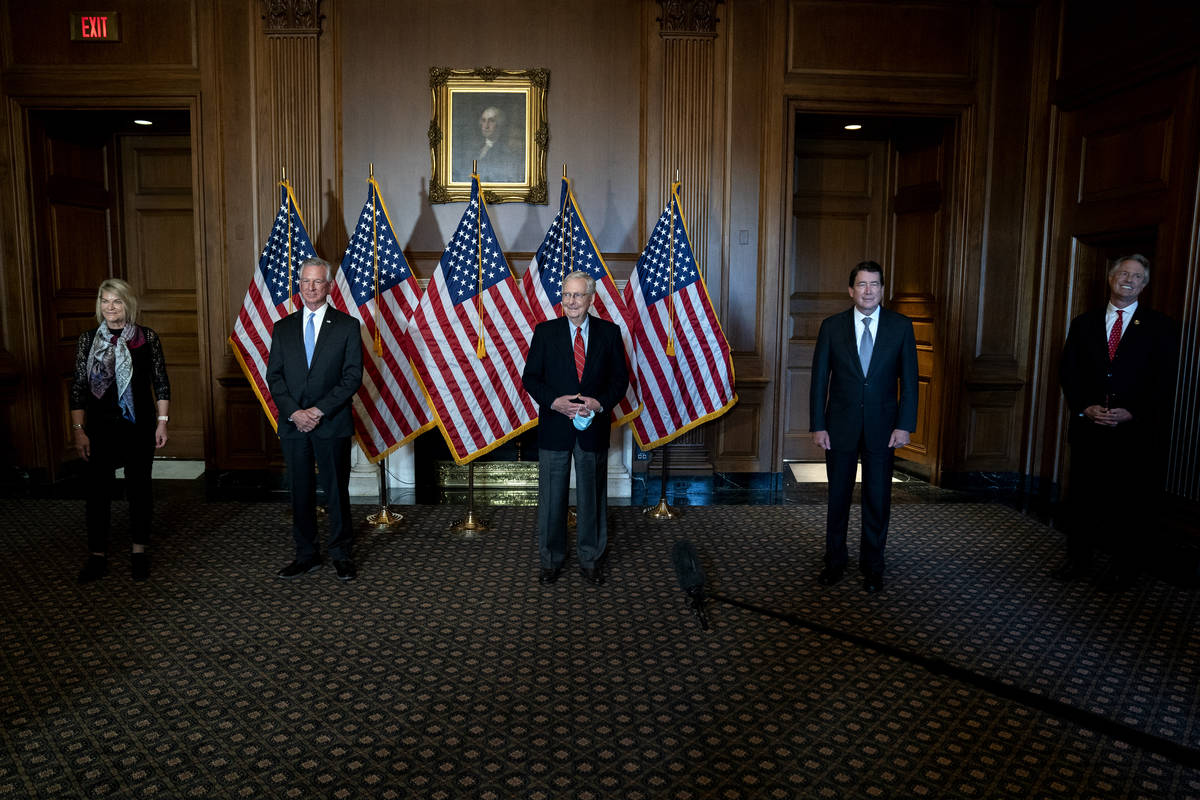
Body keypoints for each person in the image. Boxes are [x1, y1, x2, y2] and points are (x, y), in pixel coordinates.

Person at [1054, 254, 1178, 591]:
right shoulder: (1083, 323)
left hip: (1134, 433)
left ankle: (1124, 569)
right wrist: (1085, 407)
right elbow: (1069, 371)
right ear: (1111, 278)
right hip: (1089, 428)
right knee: (1083, 498)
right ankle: (1078, 560)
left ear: (1144, 285)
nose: (1129, 280)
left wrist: (1132, 411)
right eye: (1123, 273)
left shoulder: (1160, 326)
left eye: (1137, 276)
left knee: (1128, 503)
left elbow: (1164, 380)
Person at [810, 260, 918, 594]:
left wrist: (905, 425)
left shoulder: (901, 327)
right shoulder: (832, 327)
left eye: (874, 284)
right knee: (838, 499)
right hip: (839, 427)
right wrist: (818, 425)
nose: (868, 291)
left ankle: (873, 566)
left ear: (882, 290)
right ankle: (835, 562)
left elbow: (910, 382)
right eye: (862, 284)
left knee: (877, 499)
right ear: (850, 290)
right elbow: (819, 381)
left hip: (883, 429)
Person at [522, 270, 629, 586]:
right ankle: (551, 560)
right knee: (552, 499)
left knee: (591, 498)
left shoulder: (610, 333)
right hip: (554, 428)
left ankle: (590, 559)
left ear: (591, 299)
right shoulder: (545, 332)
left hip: (592, 430)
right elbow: (531, 378)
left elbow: (620, 380)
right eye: (567, 294)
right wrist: (554, 402)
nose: (571, 301)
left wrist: (599, 404)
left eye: (578, 295)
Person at [266, 257, 364, 581]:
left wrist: (318, 411)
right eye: (306, 281)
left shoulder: (347, 326)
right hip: (293, 424)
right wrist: (295, 413)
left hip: (331, 422)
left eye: (317, 281)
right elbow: (274, 377)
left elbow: (352, 377)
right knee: (300, 491)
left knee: (336, 491)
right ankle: (306, 555)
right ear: (299, 285)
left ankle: (341, 554)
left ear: (329, 286)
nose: (311, 287)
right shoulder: (283, 328)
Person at [70, 278, 170, 583]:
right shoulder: (88, 340)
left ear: (128, 304)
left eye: (117, 301)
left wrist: (162, 422)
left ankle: (139, 551)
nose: (110, 307)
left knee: (139, 489)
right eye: (105, 301)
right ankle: (97, 555)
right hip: (100, 427)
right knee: (97, 492)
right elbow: (78, 388)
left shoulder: (146, 338)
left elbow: (160, 382)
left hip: (139, 425)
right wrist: (78, 429)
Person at [455, 105, 522, 183]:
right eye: (483, 121)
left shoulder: (506, 151)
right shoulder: (475, 148)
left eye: (491, 121)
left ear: (500, 124)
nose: (486, 126)